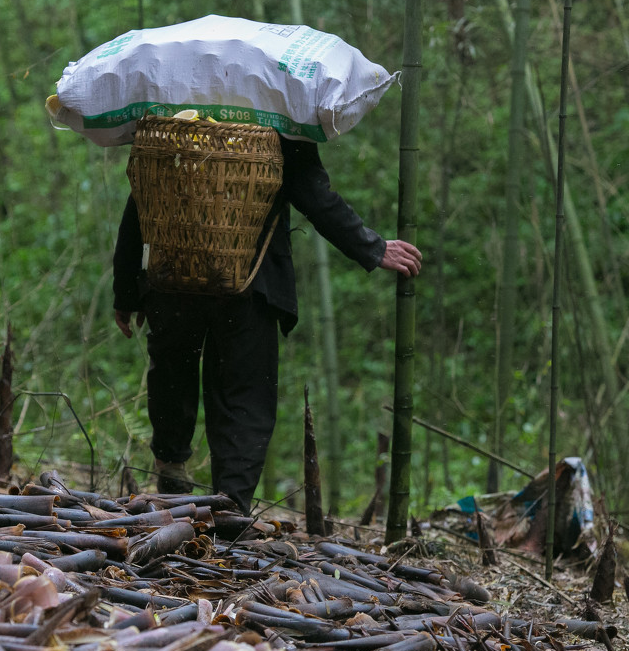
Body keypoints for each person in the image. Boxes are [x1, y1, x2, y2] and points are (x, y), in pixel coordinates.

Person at [113, 134, 421, 513]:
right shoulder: (280, 107)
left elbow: (144, 194)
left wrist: (128, 288)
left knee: (172, 376)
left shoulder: (176, 108)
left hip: (172, 273)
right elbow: (311, 190)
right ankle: (229, 507)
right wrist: (371, 246)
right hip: (251, 283)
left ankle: (172, 476)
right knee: (245, 396)